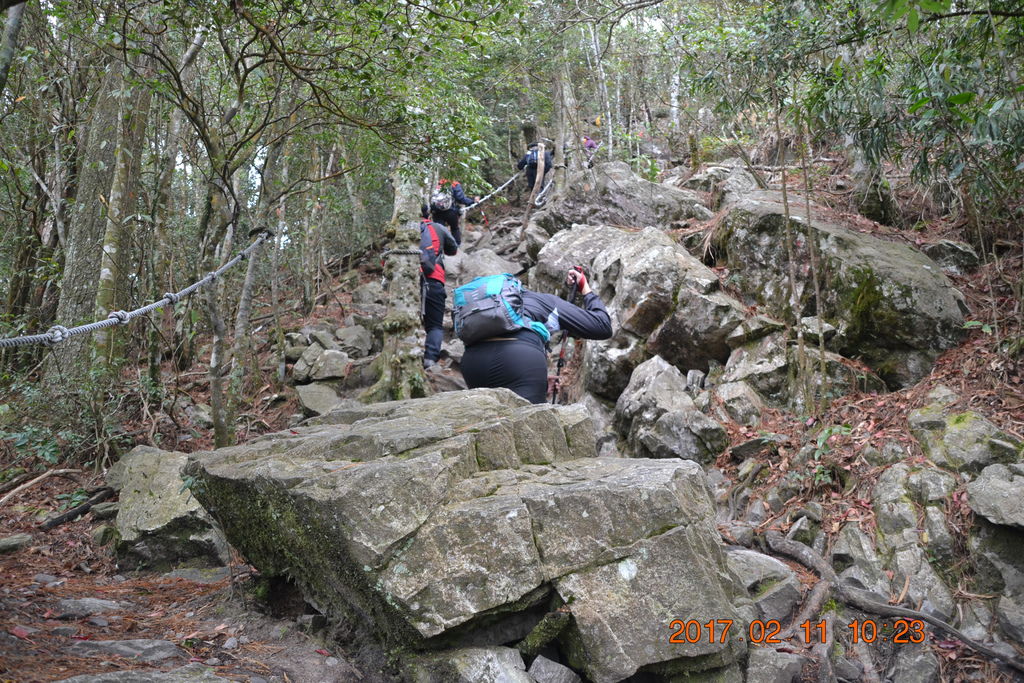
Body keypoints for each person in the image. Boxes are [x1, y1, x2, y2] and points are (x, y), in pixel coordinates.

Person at [460, 267, 612, 404]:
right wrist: (585, 288)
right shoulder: (542, 300)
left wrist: (540, 382)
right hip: (520, 359)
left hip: (473, 363)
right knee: (530, 428)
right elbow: (601, 326)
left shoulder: (483, 314)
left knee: (488, 426)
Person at [419, 206, 459, 369]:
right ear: (427, 213)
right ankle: (430, 360)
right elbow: (453, 250)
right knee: (434, 324)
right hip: (433, 280)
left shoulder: (400, 231)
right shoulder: (438, 228)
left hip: (409, 281)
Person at [428, 178, 477, 246]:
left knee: (439, 230)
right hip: (450, 211)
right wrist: (472, 200)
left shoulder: (438, 183)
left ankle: (439, 247)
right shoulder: (455, 184)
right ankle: (456, 246)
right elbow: (460, 199)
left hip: (437, 211)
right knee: (454, 228)